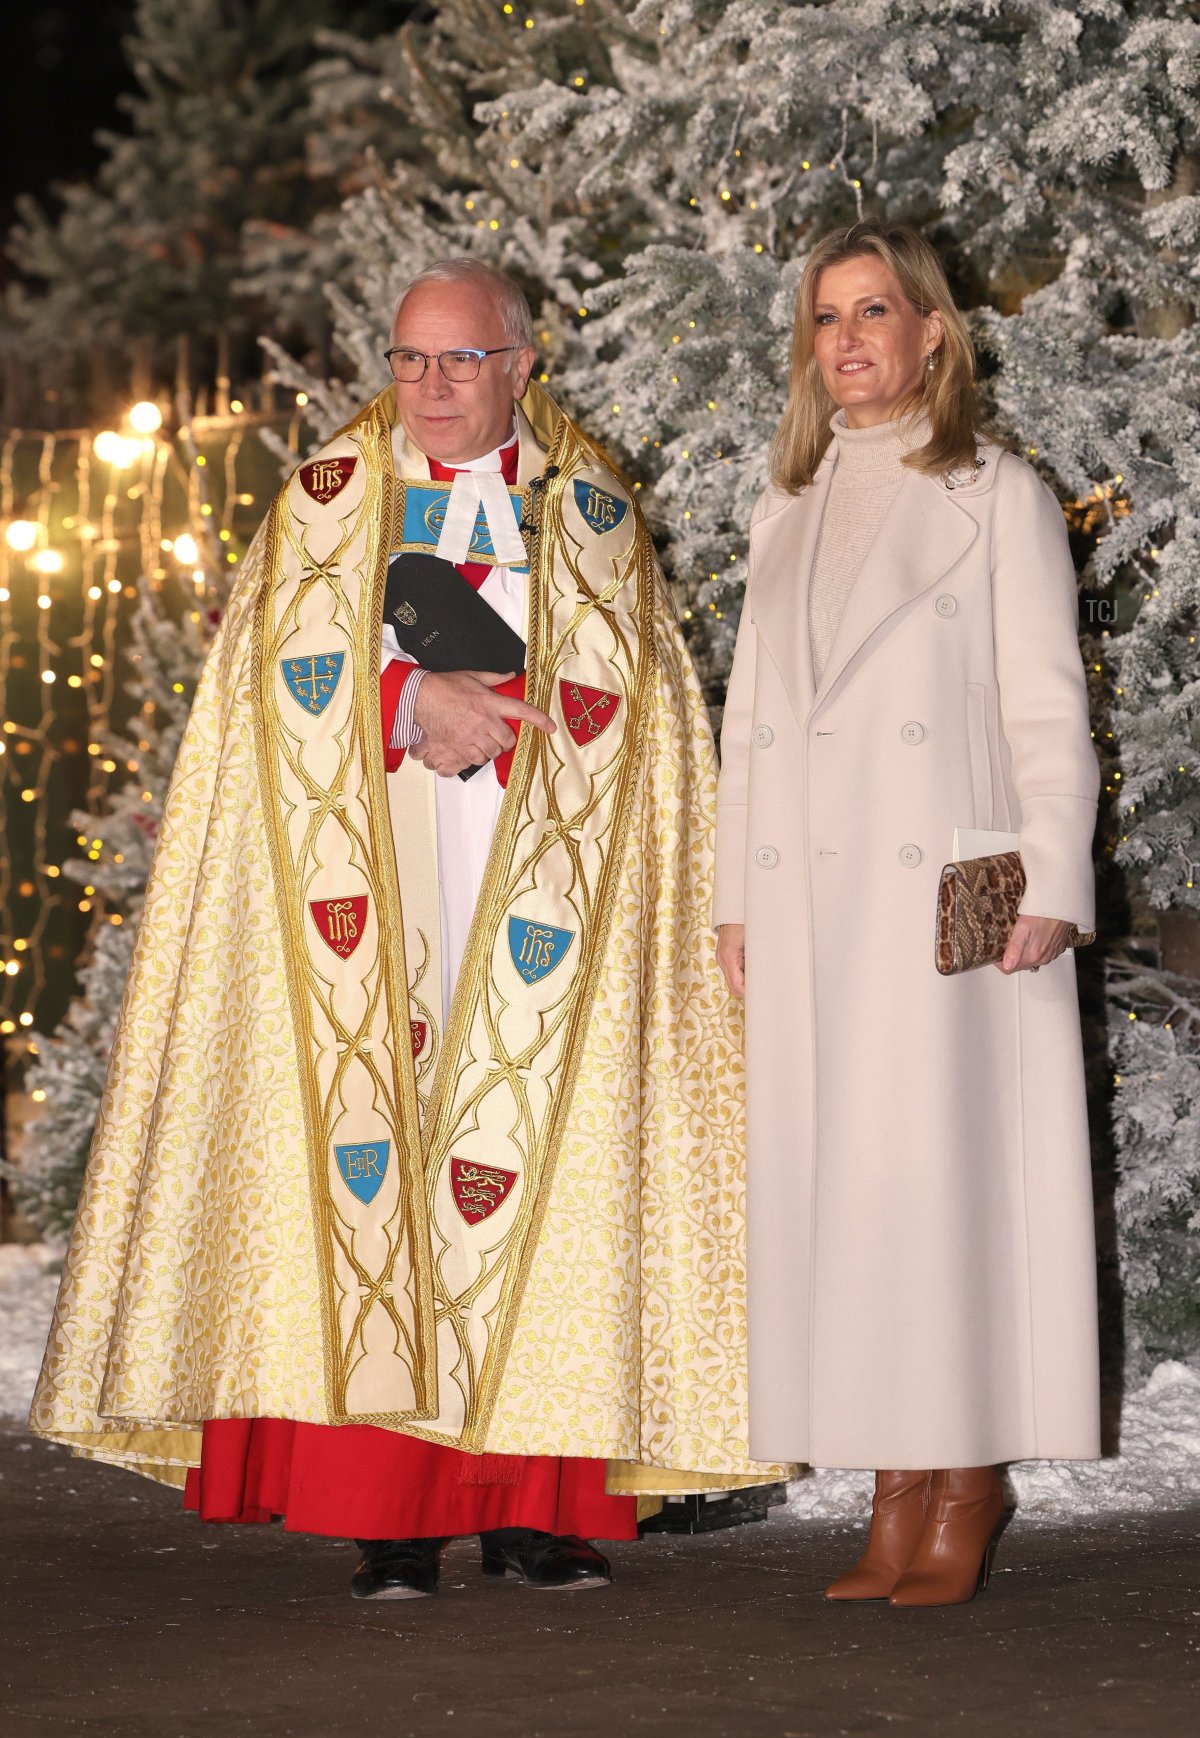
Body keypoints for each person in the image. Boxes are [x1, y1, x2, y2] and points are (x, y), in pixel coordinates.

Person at [32, 258, 779, 1600]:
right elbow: (260, 688)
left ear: (521, 368)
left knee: (539, 1181)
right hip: (371, 881)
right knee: (384, 1173)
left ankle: (531, 1508)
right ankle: (389, 1511)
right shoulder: (324, 504)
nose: (431, 388)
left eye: (462, 361)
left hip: (544, 889)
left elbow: (651, 707)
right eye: (409, 360)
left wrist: (538, 732)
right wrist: (400, 700)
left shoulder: (593, 513)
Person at [715, 219, 1101, 1606]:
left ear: (933, 331)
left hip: (958, 887)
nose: (852, 340)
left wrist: (1048, 880)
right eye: (828, 319)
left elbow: (1049, 705)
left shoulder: (997, 496)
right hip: (813, 904)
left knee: (944, 1192)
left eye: (876, 311)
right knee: (855, 1193)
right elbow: (753, 724)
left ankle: (966, 1475)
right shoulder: (787, 506)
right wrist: (733, 896)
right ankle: (892, 1480)